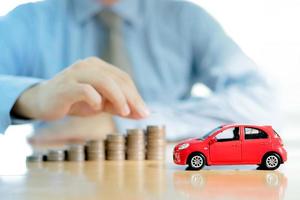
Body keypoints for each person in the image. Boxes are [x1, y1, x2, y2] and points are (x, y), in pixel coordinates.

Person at [0, 0, 276, 143]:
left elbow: (261, 99)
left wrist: (129, 124)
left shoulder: (185, 19)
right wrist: (31, 97)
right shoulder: (29, 22)